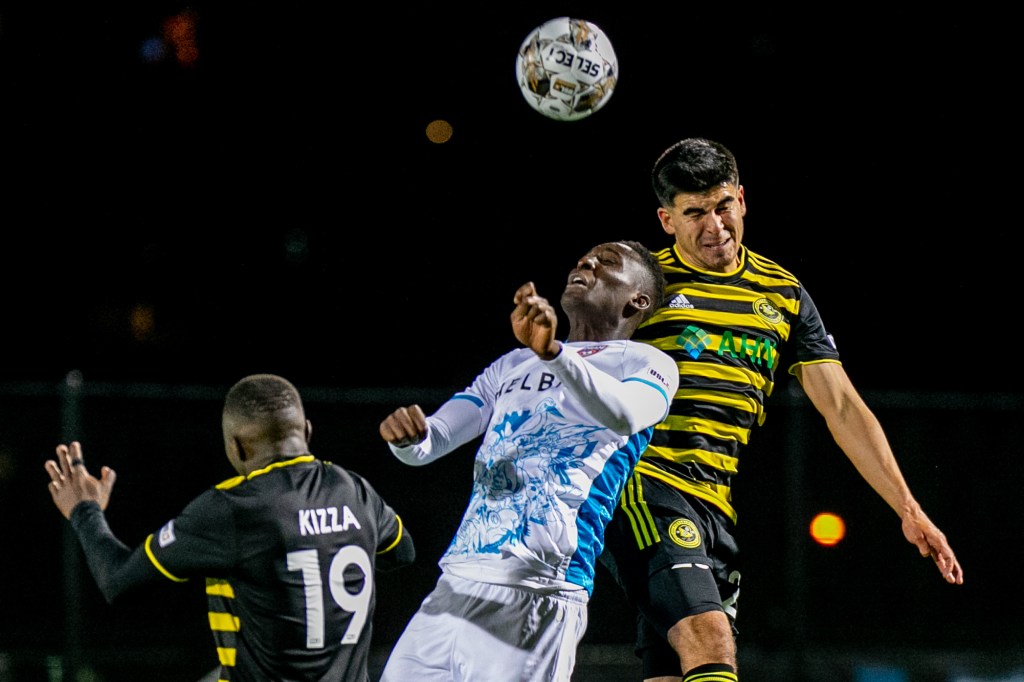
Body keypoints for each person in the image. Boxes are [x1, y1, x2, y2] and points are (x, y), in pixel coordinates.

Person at [598, 137, 965, 682]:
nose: (714, 225)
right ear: (666, 219)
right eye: (694, 213)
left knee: (676, 670)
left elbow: (840, 405)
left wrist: (908, 508)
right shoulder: (641, 281)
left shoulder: (784, 294)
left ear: (743, 199)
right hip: (642, 485)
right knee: (711, 638)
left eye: (723, 206)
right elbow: (577, 373)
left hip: (713, 506)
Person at [377, 240, 681, 681]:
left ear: (638, 299)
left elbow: (624, 414)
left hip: (539, 589)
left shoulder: (646, 362)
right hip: (454, 585)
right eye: (583, 259)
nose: (587, 263)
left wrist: (555, 355)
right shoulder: (512, 364)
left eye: (608, 262)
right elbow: (433, 442)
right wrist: (407, 439)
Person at [44, 373, 415, 682]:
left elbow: (118, 580)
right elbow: (403, 552)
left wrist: (84, 511)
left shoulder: (235, 508)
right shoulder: (356, 490)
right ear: (307, 430)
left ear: (236, 446)